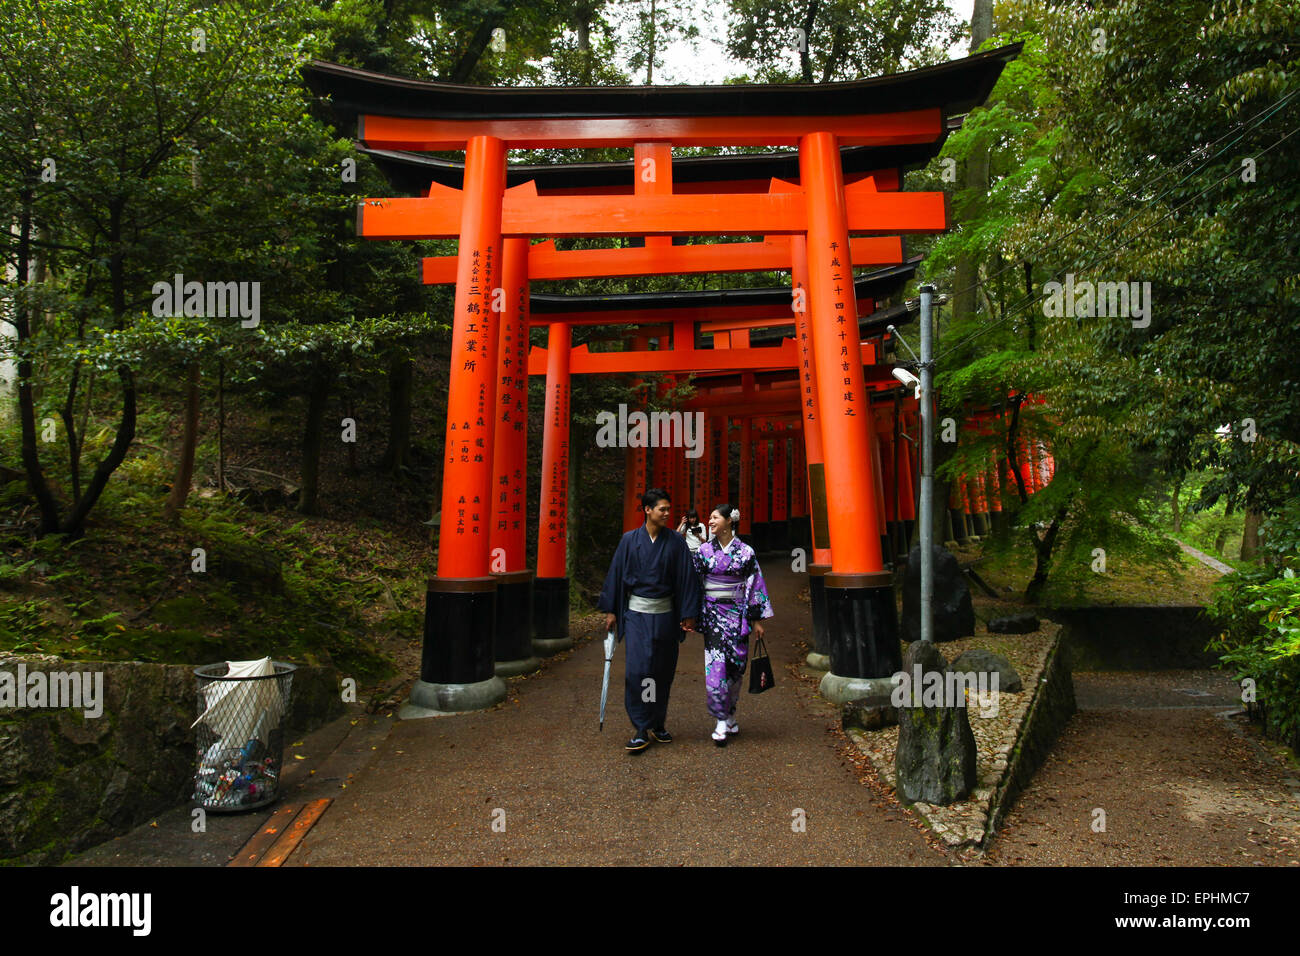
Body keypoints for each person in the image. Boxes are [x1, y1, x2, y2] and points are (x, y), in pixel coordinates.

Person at [599, 488, 702, 753]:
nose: (667, 514)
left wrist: (689, 614)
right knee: (639, 669)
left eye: (668, 509)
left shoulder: (676, 543)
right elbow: (616, 575)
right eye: (662, 509)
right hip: (637, 615)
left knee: (661, 670)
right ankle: (641, 726)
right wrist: (611, 611)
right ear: (647, 510)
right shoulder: (629, 541)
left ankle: (657, 721)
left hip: (665, 615)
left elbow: (686, 578)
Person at [691, 502, 773, 746]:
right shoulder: (703, 551)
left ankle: (730, 712)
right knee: (716, 666)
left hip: (738, 614)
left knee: (736, 666)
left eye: (715, 517)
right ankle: (720, 719)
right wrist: (691, 614)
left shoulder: (746, 552)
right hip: (713, 613)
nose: (710, 521)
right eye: (710, 517)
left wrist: (756, 620)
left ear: (729, 521)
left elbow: (755, 585)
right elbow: (694, 583)